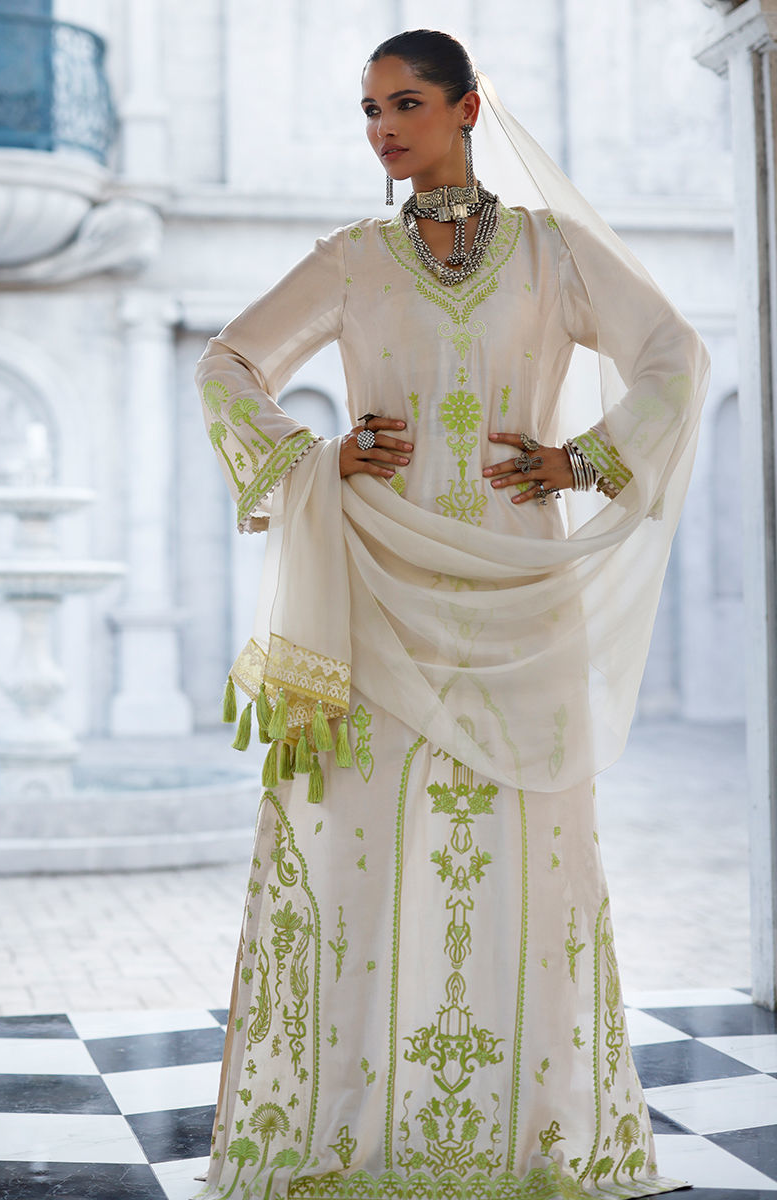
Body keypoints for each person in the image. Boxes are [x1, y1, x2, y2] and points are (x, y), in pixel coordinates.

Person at [194, 29, 708, 1200]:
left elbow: (671, 355)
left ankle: (525, 1141)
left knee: (530, 866)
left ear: (468, 108)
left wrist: (580, 460)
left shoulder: (551, 253)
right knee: (363, 861)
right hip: (376, 595)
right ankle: (356, 1135)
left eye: (406, 103)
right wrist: (312, 458)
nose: (382, 127)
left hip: (520, 600)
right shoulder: (351, 260)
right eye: (369, 108)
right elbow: (228, 364)